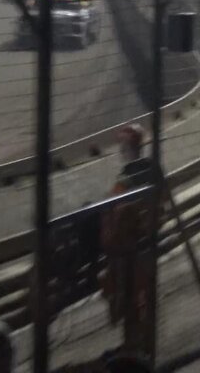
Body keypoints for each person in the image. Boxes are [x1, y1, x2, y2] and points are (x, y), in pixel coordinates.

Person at [100, 125, 155, 359]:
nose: (121, 150)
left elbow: (116, 214)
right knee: (137, 296)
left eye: (123, 146)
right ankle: (135, 344)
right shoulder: (152, 168)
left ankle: (134, 346)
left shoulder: (126, 179)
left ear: (128, 148)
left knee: (129, 294)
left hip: (128, 246)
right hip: (144, 239)